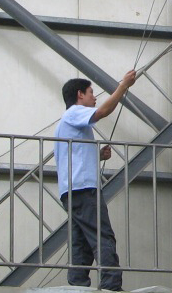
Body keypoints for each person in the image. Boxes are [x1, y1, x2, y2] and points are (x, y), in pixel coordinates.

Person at [54, 70, 137, 291]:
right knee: (103, 236)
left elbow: (72, 156)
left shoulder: (64, 123)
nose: (95, 98)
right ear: (80, 94)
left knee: (81, 242)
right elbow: (102, 112)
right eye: (91, 93)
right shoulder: (74, 112)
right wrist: (123, 86)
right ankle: (111, 284)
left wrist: (97, 155)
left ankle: (77, 284)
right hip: (84, 188)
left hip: (71, 191)